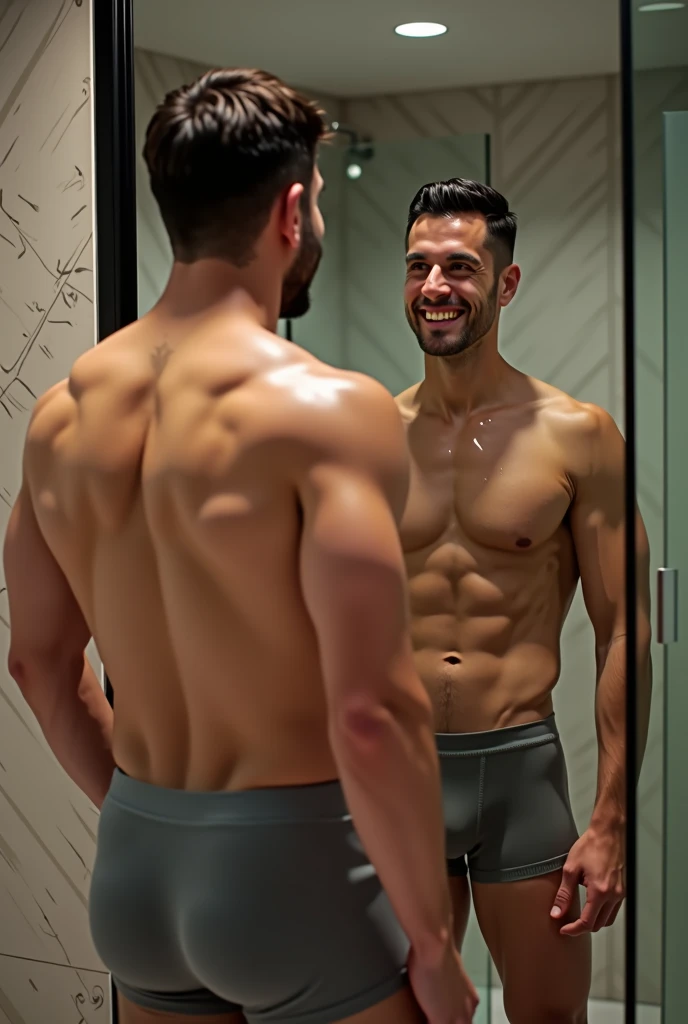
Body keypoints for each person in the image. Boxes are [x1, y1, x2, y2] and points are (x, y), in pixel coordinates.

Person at [3, 72, 478, 1024]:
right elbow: (372, 710)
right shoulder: (326, 409)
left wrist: (158, 829)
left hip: (136, 865)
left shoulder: (61, 417)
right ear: (293, 210)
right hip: (292, 869)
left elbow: (40, 666)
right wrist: (431, 945)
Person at [396, 178, 652, 1024]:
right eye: (419, 267)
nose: (435, 287)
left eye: (459, 268)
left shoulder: (577, 434)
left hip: (520, 772)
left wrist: (611, 820)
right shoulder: (366, 433)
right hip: (399, 770)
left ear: (504, 284)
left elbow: (623, 632)